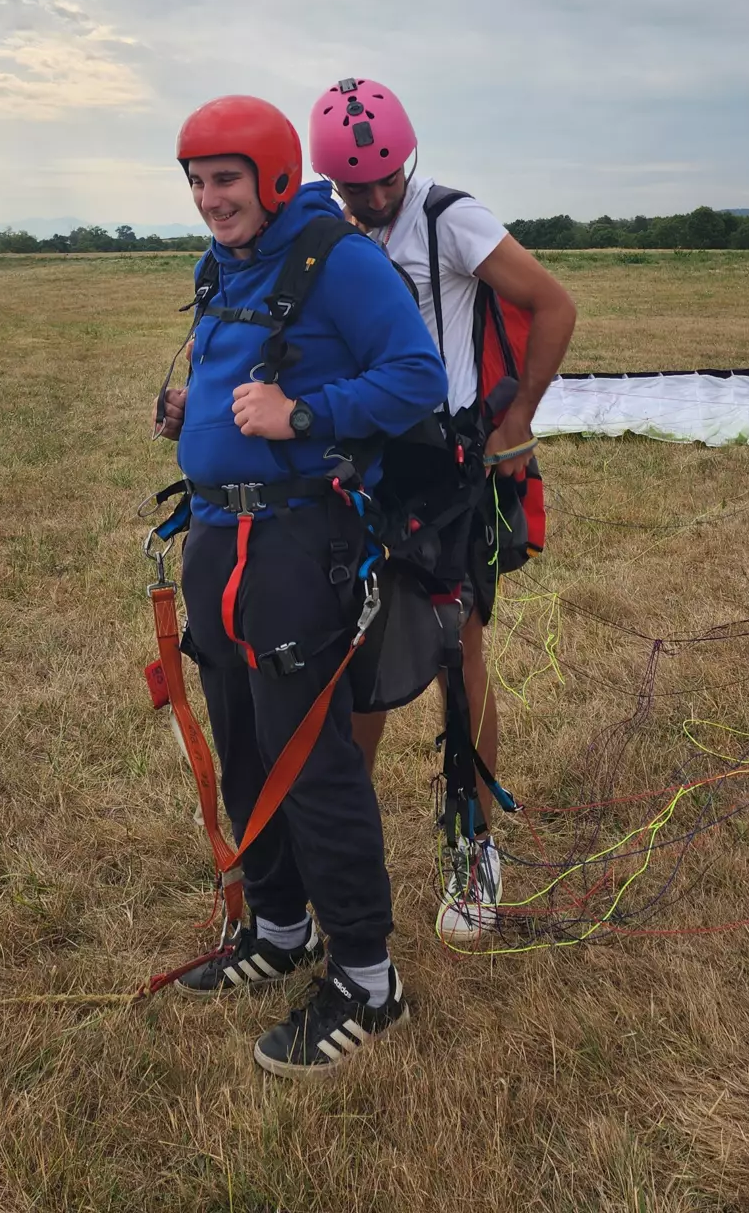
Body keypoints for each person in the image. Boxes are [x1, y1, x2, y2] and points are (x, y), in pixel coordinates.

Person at [154, 94, 448, 1075]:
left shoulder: (340, 260)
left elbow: (417, 378)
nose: (209, 198)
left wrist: (304, 412)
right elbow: (223, 361)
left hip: (295, 544)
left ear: (274, 176)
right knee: (241, 740)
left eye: (225, 179)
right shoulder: (224, 264)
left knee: (308, 758)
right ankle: (280, 928)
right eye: (196, 180)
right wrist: (186, 401)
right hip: (216, 539)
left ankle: (368, 977)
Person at [308, 77, 577, 941]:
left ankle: (472, 847)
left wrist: (518, 413)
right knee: (359, 664)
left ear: (408, 160)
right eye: (356, 188)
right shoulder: (325, 229)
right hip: (360, 468)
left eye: (386, 180)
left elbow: (552, 303)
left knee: (459, 660)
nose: (374, 199)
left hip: (445, 473)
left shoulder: (449, 218)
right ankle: (349, 857)